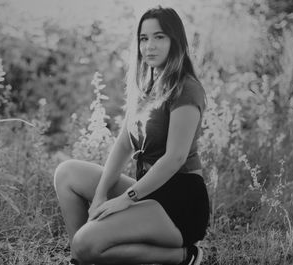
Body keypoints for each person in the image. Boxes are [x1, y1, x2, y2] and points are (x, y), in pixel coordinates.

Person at [54, 6, 210, 265]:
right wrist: (102, 194)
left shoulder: (186, 89)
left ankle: (184, 256)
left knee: (85, 243)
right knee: (67, 172)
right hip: (150, 191)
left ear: (176, 41)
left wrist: (125, 201)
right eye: (144, 38)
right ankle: (82, 259)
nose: (150, 46)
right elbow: (124, 142)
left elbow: (175, 158)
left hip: (180, 204)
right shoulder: (146, 87)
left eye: (159, 37)